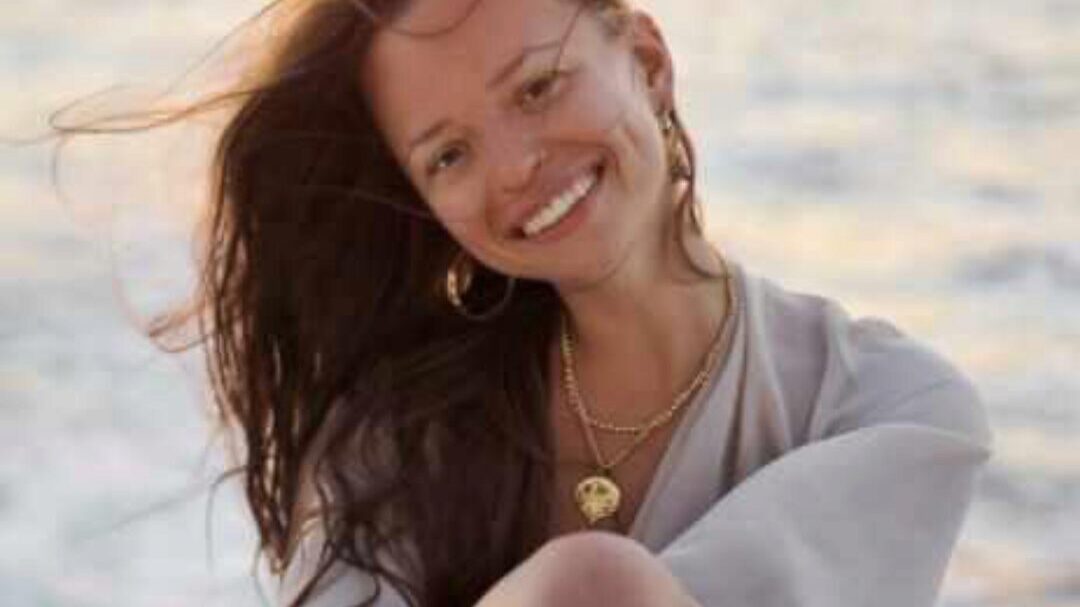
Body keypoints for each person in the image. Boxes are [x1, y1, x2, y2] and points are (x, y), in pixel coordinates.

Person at [133, 0, 992, 605]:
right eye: (449, 156)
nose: (514, 167)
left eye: (538, 88)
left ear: (648, 64)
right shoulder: (391, 441)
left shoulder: (888, 408)